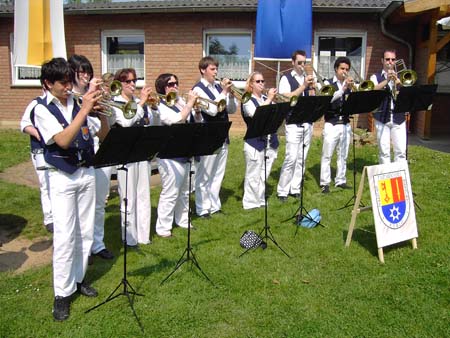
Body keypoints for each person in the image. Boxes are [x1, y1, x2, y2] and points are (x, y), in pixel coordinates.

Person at [33, 57, 104, 321]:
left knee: (85, 233)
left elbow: (102, 134)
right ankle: (61, 294)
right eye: (62, 83)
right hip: (62, 176)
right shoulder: (40, 109)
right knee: (65, 236)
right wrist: (85, 109)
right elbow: (62, 140)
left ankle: (78, 279)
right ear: (47, 83)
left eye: (69, 81)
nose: (68, 87)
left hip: (86, 172)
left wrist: (102, 111)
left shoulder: (77, 103)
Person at [68, 54, 114, 262]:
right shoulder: (68, 98)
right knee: (79, 208)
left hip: (98, 154)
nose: (86, 75)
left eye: (88, 71)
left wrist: (103, 111)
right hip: (76, 159)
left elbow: (103, 135)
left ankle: (97, 244)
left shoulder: (94, 97)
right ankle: (81, 248)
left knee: (99, 204)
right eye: (81, 71)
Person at [152, 73, 202, 237]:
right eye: (170, 84)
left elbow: (196, 122)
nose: (175, 86)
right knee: (171, 192)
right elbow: (177, 119)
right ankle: (163, 228)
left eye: (176, 83)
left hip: (185, 151)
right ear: (162, 88)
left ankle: (182, 220)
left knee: (185, 191)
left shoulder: (179, 102)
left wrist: (197, 111)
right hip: (169, 154)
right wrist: (189, 104)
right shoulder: (160, 106)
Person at [113, 68, 154, 247]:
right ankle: (129, 237)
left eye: (134, 80)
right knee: (128, 197)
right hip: (125, 154)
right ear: (119, 84)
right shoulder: (116, 103)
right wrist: (142, 103)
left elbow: (150, 122)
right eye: (127, 81)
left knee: (144, 195)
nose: (132, 84)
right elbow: (126, 122)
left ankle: (144, 236)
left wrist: (151, 107)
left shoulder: (137, 101)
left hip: (142, 151)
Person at [192, 56, 237, 218]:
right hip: (207, 135)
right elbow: (212, 110)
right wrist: (224, 92)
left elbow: (230, 110)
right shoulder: (198, 89)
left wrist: (230, 95)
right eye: (212, 69)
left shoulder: (218, 87)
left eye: (216, 69)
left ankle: (214, 205)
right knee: (204, 174)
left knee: (218, 173)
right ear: (203, 70)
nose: (216, 72)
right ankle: (202, 208)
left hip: (222, 133)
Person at [276, 50, 316, 202]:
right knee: (291, 157)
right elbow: (284, 96)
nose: (302, 65)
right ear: (292, 62)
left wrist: (312, 88)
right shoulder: (286, 78)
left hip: (307, 122)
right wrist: (303, 86)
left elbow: (312, 99)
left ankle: (295, 188)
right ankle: (282, 190)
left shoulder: (307, 78)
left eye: (304, 62)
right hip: (293, 122)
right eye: (299, 63)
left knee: (302, 158)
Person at [241, 71, 278, 209]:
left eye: (263, 81)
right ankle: (250, 203)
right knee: (253, 174)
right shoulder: (247, 100)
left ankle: (260, 199)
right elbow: (255, 114)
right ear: (251, 84)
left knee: (264, 173)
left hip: (269, 140)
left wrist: (272, 102)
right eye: (258, 81)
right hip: (254, 141)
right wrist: (268, 100)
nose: (262, 83)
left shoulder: (264, 97)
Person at [20, 89, 53, 233]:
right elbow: (25, 125)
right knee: (45, 183)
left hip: (55, 150)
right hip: (40, 150)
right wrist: (39, 133)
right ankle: (49, 218)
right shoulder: (36, 103)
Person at [319, 56, 353, 193]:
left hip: (345, 123)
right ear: (336, 69)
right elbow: (329, 99)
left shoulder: (349, 85)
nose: (344, 72)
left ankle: (340, 180)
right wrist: (343, 89)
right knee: (327, 155)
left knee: (343, 154)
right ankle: (325, 183)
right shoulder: (327, 83)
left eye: (346, 69)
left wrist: (351, 90)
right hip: (331, 124)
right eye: (342, 69)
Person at [369, 49, 407, 164]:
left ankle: (399, 177)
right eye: (387, 59)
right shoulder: (375, 77)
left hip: (398, 117)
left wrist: (399, 84)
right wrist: (387, 80)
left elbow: (408, 94)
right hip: (382, 117)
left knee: (400, 151)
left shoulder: (401, 76)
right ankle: (385, 178)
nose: (390, 62)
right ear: (382, 61)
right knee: (384, 151)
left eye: (393, 59)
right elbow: (373, 89)